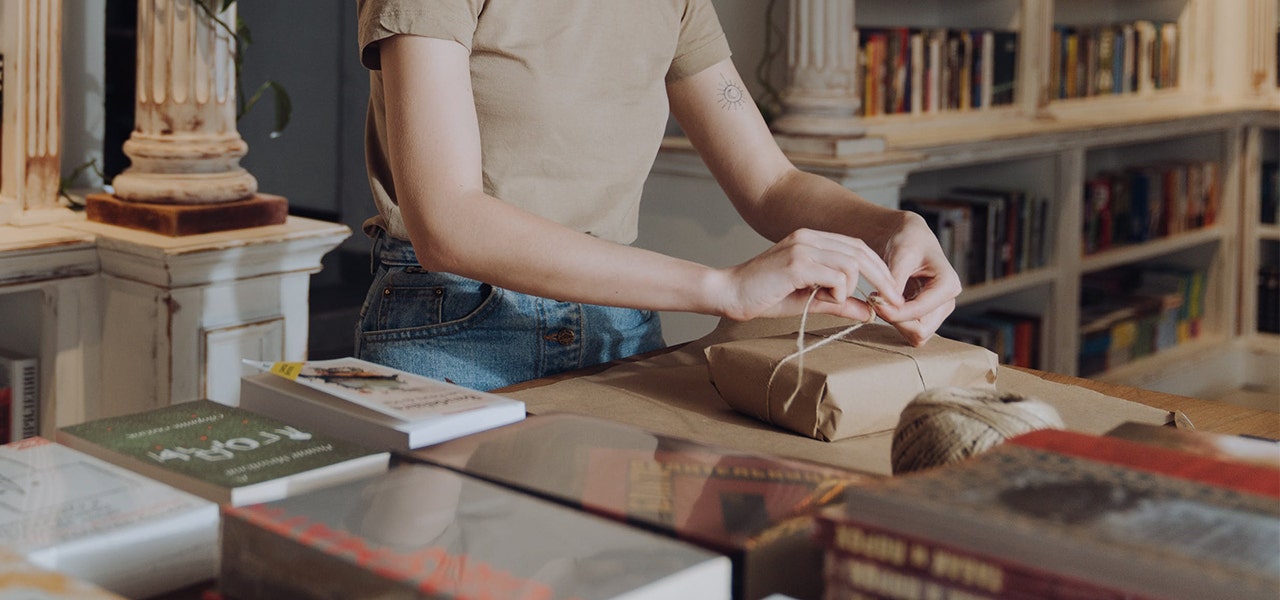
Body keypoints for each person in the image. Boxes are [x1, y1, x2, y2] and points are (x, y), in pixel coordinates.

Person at [354, 0, 961, 391]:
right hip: (458, 326)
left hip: (620, 327)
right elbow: (447, 222)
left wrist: (890, 227)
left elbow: (770, 183)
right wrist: (719, 288)